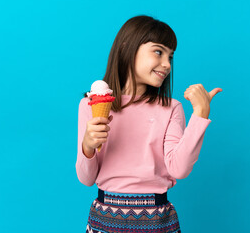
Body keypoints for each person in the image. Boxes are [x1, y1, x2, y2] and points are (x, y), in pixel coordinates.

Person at [76, 15, 222, 233]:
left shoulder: (171, 108)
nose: (166, 64)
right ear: (127, 48)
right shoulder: (90, 105)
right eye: (158, 52)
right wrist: (87, 147)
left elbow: (179, 169)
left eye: (170, 57)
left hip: (156, 220)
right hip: (105, 220)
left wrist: (200, 115)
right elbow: (87, 179)